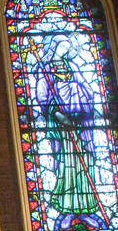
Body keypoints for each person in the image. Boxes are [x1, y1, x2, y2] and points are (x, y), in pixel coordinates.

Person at [34, 37, 99, 216]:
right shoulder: (46, 69)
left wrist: (77, 94)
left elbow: (87, 88)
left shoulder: (73, 67)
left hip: (80, 121)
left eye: (67, 47)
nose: (64, 49)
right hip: (61, 125)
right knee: (66, 162)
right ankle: (66, 203)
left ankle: (87, 205)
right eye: (62, 45)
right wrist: (56, 112)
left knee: (84, 161)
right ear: (54, 46)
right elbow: (43, 96)